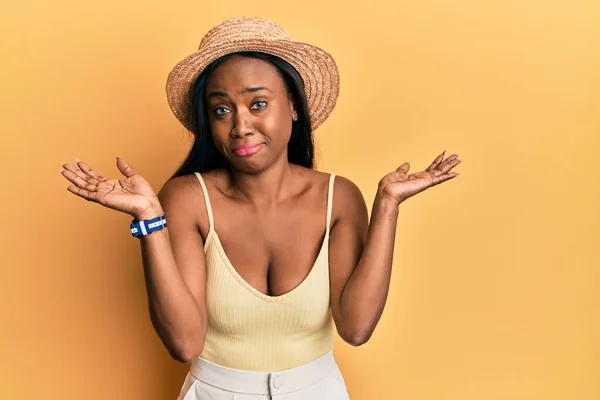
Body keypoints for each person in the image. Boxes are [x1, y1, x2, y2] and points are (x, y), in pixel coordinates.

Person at [60, 16, 460, 400]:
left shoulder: (339, 197)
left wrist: (388, 205)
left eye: (258, 104)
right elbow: (184, 343)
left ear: (294, 107)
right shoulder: (185, 199)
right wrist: (149, 220)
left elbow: (356, 328)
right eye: (221, 110)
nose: (239, 126)